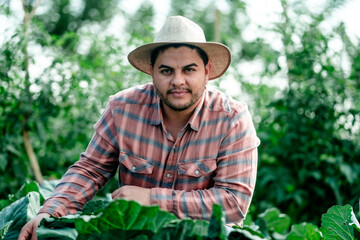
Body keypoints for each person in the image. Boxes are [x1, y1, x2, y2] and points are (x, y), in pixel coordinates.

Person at [18, 16, 260, 240]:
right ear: (151, 72)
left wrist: (152, 199)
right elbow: (90, 170)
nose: (177, 81)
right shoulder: (122, 109)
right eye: (166, 71)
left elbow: (234, 203)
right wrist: (49, 213)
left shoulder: (232, 119)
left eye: (189, 69)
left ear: (206, 72)